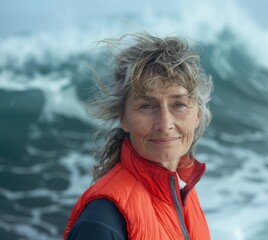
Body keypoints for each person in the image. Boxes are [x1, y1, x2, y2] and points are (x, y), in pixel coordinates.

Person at [64, 32, 213, 240]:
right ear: (123, 117)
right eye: (147, 106)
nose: (165, 124)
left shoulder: (183, 192)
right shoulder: (102, 220)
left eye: (179, 104)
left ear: (197, 115)